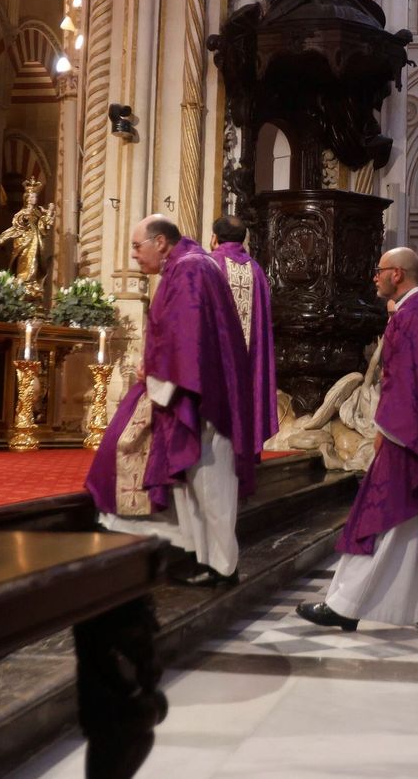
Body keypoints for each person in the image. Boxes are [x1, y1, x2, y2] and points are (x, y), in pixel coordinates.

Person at [297, 247, 418, 631]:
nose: (375, 277)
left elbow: (406, 382)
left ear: (397, 274)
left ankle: (346, 605)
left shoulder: (411, 318)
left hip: (407, 435)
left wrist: (387, 431)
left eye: (379, 271)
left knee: (383, 518)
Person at [86, 215, 254, 588]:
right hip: (199, 389)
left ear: (160, 243)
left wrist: (159, 380)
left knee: (211, 482)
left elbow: (188, 337)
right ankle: (209, 561)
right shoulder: (189, 265)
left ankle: (223, 566)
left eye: (136, 246)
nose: (134, 255)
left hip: (204, 395)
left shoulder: (189, 271)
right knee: (197, 482)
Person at [209, 214, 278, 453]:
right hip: (249, 363)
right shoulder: (256, 270)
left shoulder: (210, 264)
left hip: (216, 363)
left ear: (214, 238)